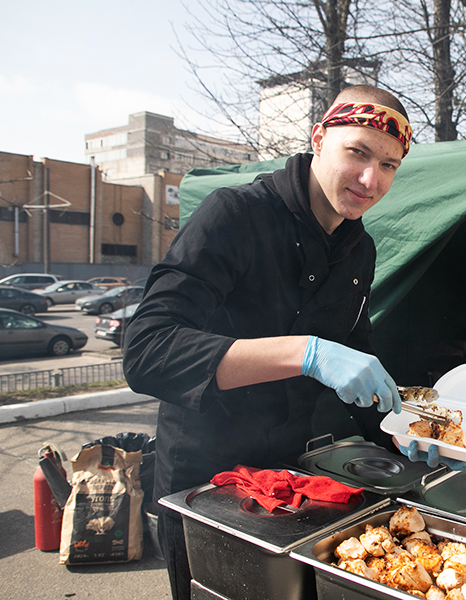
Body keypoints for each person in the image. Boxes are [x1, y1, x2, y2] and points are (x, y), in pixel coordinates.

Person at [123, 85, 427, 600]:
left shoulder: (359, 250)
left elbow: (356, 353)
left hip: (289, 476)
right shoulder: (234, 215)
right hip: (204, 482)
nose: (371, 180)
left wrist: (410, 437)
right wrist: (306, 352)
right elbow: (148, 351)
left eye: (390, 165)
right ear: (319, 138)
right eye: (358, 152)